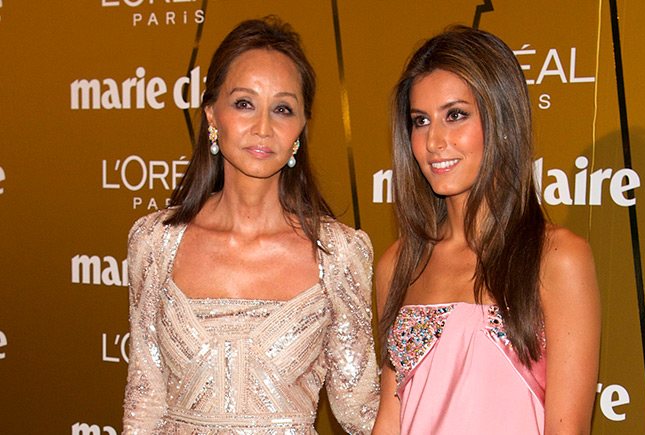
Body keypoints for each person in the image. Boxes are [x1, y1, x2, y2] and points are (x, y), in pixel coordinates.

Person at [123, 17, 379, 434]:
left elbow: (360, 410)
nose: (263, 127)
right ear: (212, 114)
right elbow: (144, 400)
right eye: (244, 103)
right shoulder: (155, 243)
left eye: (282, 108)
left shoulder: (338, 253)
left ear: (300, 127)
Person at [372, 26, 600, 434]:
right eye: (420, 121)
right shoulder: (399, 262)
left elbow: (567, 430)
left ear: (502, 120)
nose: (434, 140)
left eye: (455, 115)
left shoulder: (557, 258)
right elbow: (389, 421)